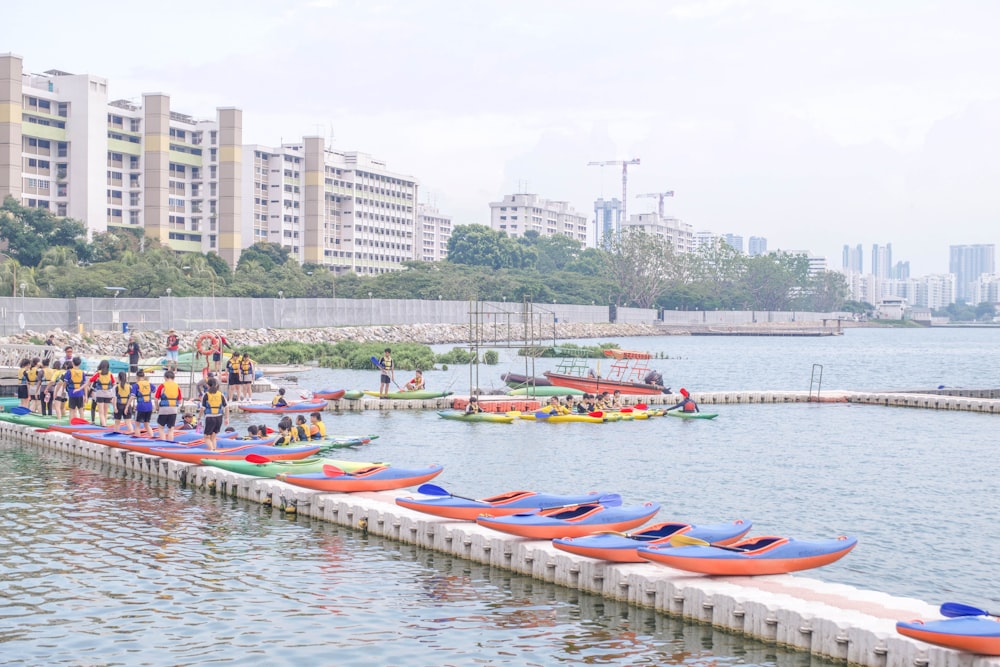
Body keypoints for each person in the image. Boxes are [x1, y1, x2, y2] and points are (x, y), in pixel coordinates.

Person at [198, 377, 229, 451]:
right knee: (213, 436)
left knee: (206, 437)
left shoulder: (206, 395)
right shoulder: (221, 394)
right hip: (219, 417)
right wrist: (226, 418)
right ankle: (214, 450)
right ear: (216, 385)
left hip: (210, 417)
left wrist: (199, 417)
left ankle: (212, 450)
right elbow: (226, 407)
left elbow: (202, 408)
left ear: (207, 386)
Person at [154, 369, 182, 441]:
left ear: (165, 377)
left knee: (161, 427)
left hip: (164, 409)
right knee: (171, 429)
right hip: (174, 409)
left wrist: (157, 407)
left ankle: (163, 442)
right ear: (173, 378)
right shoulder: (177, 386)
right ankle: (170, 443)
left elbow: (156, 399)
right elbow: (180, 401)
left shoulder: (162, 386)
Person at [86, 359, 116, 427]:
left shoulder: (98, 374)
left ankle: (104, 426)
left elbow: (89, 382)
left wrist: (84, 389)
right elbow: (114, 384)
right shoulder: (110, 374)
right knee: (105, 412)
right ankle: (103, 424)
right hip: (108, 394)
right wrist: (113, 395)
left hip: (100, 394)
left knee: (101, 412)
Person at [131, 370, 156, 438]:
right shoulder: (149, 384)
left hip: (141, 407)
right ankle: (152, 436)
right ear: (144, 376)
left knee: (137, 425)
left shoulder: (135, 385)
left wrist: (127, 405)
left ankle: (137, 438)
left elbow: (132, 396)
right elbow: (154, 390)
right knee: (147, 424)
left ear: (137, 377)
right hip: (149, 406)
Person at [64, 357, 88, 421]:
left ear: (72, 363)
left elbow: (65, 383)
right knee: (81, 410)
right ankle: (82, 424)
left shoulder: (69, 372)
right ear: (80, 364)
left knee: (72, 410)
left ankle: (71, 424)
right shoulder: (82, 373)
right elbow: (85, 385)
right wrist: (86, 396)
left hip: (72, 393)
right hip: (80, 393)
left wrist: (62, 391)